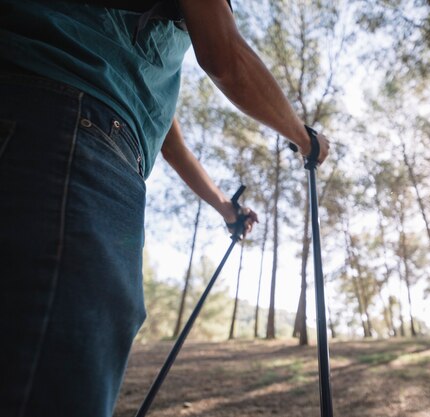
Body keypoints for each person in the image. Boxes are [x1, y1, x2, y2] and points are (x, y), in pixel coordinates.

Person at [0, 0, 330, 416]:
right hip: (72, 130)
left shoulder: (127, 49)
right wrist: (305, 139)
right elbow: (226, 58)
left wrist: (226, 208)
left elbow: (169, 140)